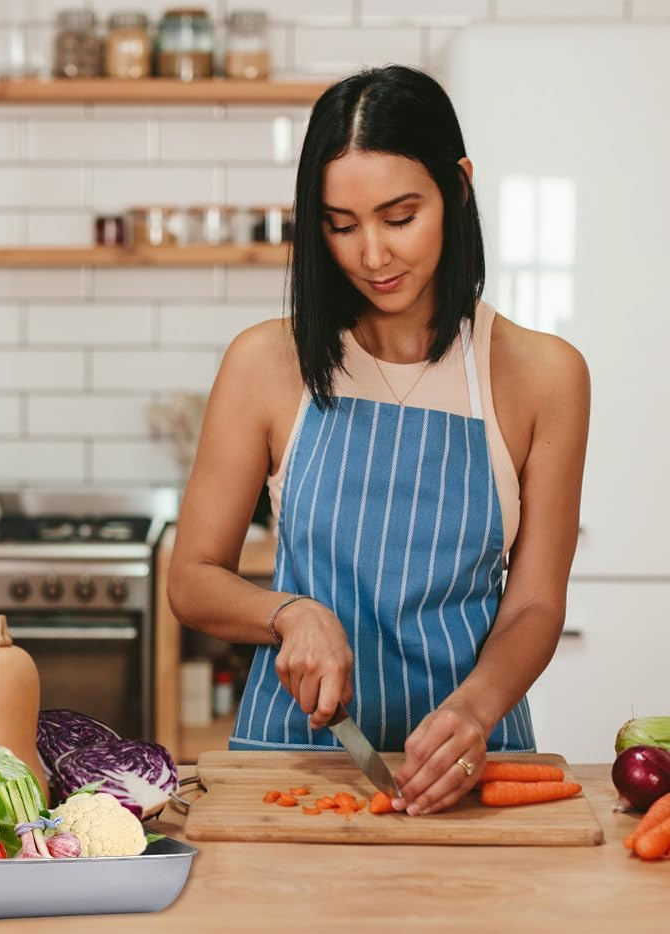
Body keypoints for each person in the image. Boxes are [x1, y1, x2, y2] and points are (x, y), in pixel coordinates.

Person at [166, 65, 590, 817]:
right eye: (341, 225)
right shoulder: (265, 363)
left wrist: (473, 711)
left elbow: (534, 605)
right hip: (289, 767)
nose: (372, 255)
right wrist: (290, 613)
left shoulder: (544, 376)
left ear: (458, 187)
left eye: (399, 218)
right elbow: (192, 579)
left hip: (474, 768)